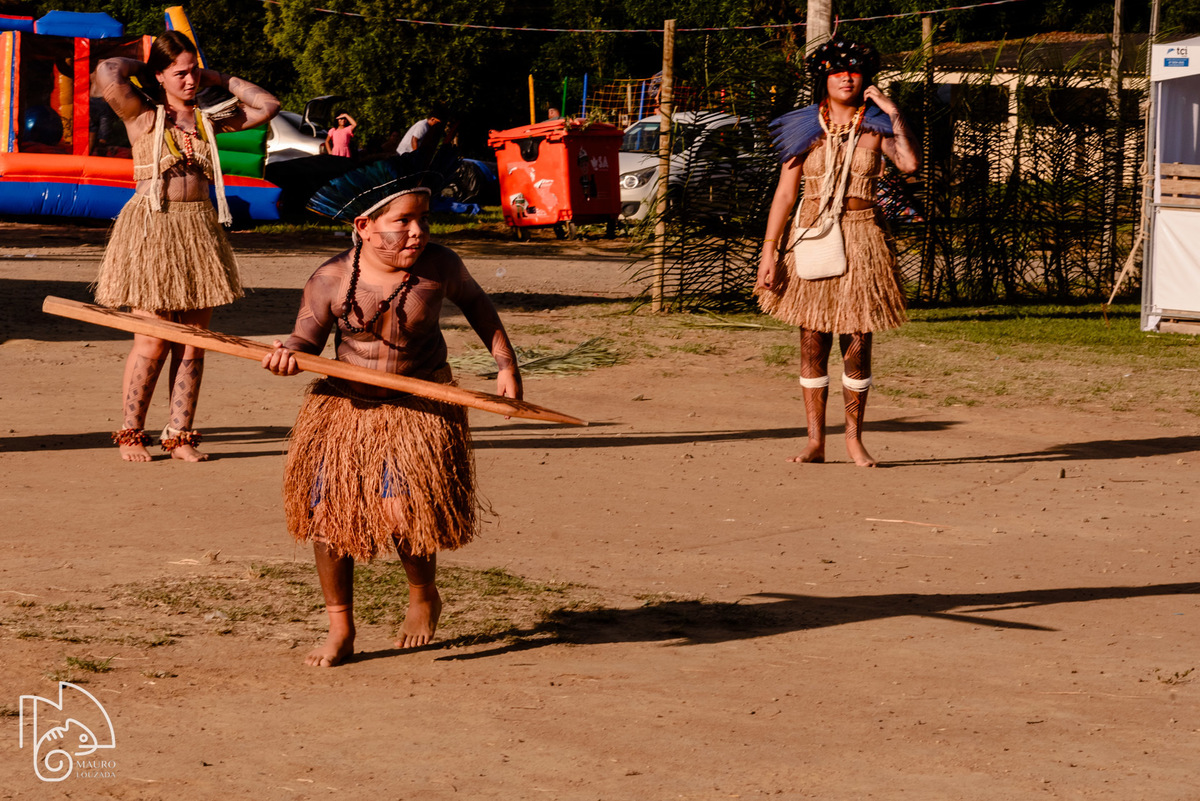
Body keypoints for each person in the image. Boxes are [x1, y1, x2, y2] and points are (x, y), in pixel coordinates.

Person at [261, 160, 522, 667]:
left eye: (423, 219)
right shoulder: (331, 278)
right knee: (328, 521)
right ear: (362, 226)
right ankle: (341, 626)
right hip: (345, 410)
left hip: (419, 406)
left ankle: (423, 593)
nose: (417, 231)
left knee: (405, 514)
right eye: (402, 221)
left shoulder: (440, 266)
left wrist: (506, 365)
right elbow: (305, 337)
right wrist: (286, 353)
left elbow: (479, 306)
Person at [93, 31, 279, 462]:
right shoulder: (141, 114)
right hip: (153, 229)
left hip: (199, 229)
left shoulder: (209, 119)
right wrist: (150, 70)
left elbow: (267, 106)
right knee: (153, 339)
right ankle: (131, 432)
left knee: (194, 340)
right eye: (180, 73)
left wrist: (216, 76)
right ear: (161, 75)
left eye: (193, 71)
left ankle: (179, 435)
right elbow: (107, 71)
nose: (190, 80)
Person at [755, 38, 919, 467]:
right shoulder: (803, 129)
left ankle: (853, 439)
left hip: (863, 238)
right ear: (824, 80)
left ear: (865, 79)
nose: (845, 77)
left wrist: (893, 109)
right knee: (812, 341)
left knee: (857, 342)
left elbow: (909, 164)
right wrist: (769, 252)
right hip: (811, 237)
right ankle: (815, 441)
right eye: (836, 71)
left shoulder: (877, 127)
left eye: (854, 71)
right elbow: (785, 194)